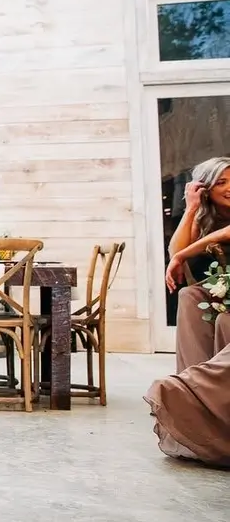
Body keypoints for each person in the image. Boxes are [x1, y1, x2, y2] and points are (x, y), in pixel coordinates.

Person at [146, 156, 230, 468]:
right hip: (222, 291)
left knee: (223, 319)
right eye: (221, 182)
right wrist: (192, 206)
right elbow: (173, 250)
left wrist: (183, 254)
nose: (229, 188)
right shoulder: (204, 215)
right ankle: (193, 399)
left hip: (226, 299)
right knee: (190, 296)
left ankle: (202, 394)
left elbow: (219, 237)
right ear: (206, 188)